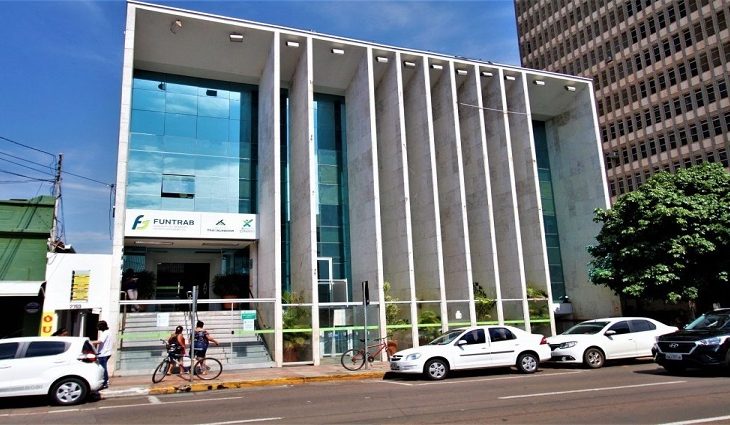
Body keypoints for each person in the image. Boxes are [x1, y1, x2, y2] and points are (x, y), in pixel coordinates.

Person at [92, 320, 112, 389]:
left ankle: (105, 382)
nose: (97, 327)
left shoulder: (105, 333)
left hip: (103, 353)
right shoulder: (108, 332)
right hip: (106, 353)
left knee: (103, 368)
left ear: (101, 326)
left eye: (98, 326)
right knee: (103, 368)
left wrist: (90, 342)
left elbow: (100, 341)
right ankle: (105, 381)